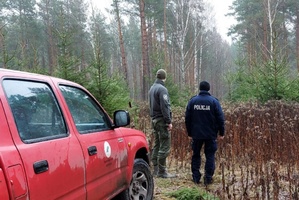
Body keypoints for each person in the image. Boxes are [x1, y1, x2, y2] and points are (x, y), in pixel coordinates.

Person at [185, 81, 225, 185]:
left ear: (199, 88)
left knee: (196, 155)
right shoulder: (214, 102)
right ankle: (208, 178)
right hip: (210, 134)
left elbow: (187, 118)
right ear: (208, 89)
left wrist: (189, 133)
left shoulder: (193, 101)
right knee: (210, 155)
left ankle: (196, 177)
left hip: (196, 134)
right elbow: (220, 118)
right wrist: (222, 132)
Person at [148, 69, 176, 178]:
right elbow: (165, 106)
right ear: (164, 77)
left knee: (157, 143)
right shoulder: (162, 89)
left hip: (154, 120)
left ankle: (155, 168)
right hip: (161, 121)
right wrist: (168, 121)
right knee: (165, 144)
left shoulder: (152, 88)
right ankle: (162, 171)